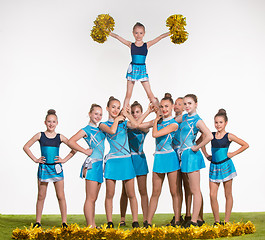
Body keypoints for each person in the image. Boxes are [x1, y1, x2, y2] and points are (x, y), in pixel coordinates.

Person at [99, 96, 151, 228]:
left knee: (131, 193)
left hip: (127, 161)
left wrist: (127, 114)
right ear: (107, 108)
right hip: (112, 161)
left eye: (118, 107)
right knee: (110, 194)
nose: (115, 110)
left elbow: (135, 125)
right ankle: (110, 221)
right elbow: (112, 131)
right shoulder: (103, 124)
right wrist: (117, 119)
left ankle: (135, 221)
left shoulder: (125, 123)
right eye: (113, 107)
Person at [23, 109, 75, 228]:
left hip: (56, 168)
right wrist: (36, 159)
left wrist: (64, 159)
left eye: (53, 122)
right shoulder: (40, 135)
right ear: (45, 122)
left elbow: (74, 148)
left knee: (61, 195)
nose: (51, 124)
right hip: (44, 168)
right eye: (49, 121)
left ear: (57, 123)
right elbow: (26, 147)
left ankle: (64, 222)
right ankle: (38, 222)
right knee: (41, 195)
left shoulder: (60, 137)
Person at [201, 109, 249, 225]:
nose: (218, 125)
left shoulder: (229, 136)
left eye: (221, 122)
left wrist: (232, 154)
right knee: (212, 195)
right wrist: (206, 154)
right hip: (214, 167)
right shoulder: (211, 135)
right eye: (216, 122)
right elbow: (200, 142)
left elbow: (245, 145)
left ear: (226, 123)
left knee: (227, 194)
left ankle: (226, 221)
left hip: (226, 166)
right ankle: (217, 221)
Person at [109, 22, 170, 110]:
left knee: (150, 94)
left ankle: (160, 112)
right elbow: (118, 37)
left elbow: (160, 37)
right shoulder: (131, 45)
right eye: (136, 33)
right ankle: (124, 113)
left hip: (142, 70)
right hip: (132, 69)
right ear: (133, 33)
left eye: (141, 33)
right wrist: (108, 33)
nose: (138, 35)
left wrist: (171, 32)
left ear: (144, 33)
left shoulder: (147, 45)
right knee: (128, 94)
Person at [175, 94, 213, 228]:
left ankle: (195, 220)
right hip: (184, 156)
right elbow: (172, 120)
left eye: (190, 103)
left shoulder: (197, 120)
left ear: (196, 104)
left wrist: (197, 146)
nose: (187, 106)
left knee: (195, 190)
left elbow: (209, 135)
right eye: (185, 104)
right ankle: (197, 218)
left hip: (192, 157)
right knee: (191, 189)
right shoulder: (184, 117)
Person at [146, 93, 181, 227]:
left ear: (172, 107)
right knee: (155, 192)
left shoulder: (173, 124)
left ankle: (177, 220)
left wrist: (155, 120)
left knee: (174, 192)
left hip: (170, 158)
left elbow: (155, 134)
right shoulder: (159, 121)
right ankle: (148, 222)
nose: (164, 109)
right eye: (162, 106)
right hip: (159, 158)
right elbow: (138, 125)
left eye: (166, 106)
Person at [68, 104, 105, 228]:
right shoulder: (86, 129)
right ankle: (90, 226)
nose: (98, 116)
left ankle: (93, 225)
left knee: (94, 198)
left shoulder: (101, 128)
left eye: (100, 114)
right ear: (90, 114)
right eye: (96, 114)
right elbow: (70, 141)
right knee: (90, 198)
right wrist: (84, 150)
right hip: (92, 165)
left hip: (100, 165)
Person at [119, 101, 154, 227]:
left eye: (137, 112)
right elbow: (132, 125)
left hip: (140, 159)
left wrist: (148, 112)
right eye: (132, 112)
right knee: (125, 191)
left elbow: (138, 126)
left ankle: (146, 218)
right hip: (127, 159)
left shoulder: (143, 126)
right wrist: (127, 115)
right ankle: (122, 218)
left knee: (142, 190)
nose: (134, 114)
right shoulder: (127, 125)